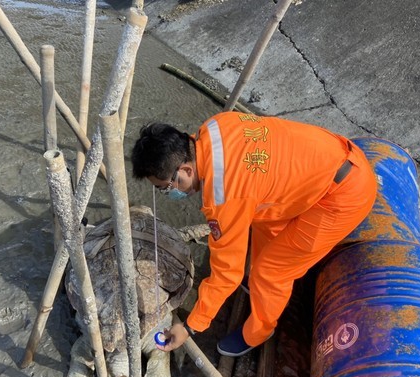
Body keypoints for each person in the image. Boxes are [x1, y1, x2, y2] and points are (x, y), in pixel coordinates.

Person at [131, 111, 377, 357]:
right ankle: (259, 288)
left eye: (166, 188)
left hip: (341, 197)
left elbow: (227, 271)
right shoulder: (214, 126)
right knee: (261, 221)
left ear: (185, 169)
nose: (169, 194)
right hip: (330, 159)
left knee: (270, 272)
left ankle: (259, 331)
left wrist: (192, 326)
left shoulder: (224, 194)